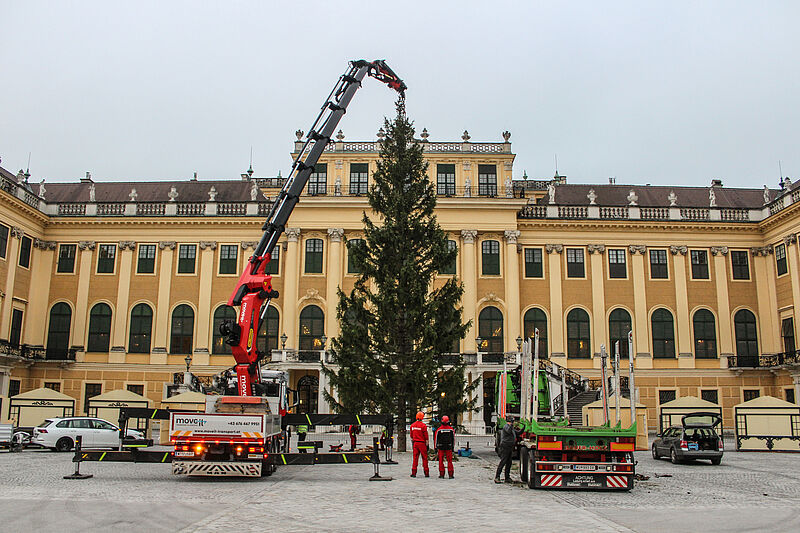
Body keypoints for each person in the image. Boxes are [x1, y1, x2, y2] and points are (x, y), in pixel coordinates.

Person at [495, 416, 519, 484]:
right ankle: (497, 477)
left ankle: (507, 477)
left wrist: (523, 428)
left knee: (509, 462)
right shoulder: (506, 426)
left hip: (509, 446)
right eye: (512, 421)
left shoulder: (511, 427)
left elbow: (517, 433)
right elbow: (508, 431)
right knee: (503, 461)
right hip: (505, 446)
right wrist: (511, 425)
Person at [410, 411, 429, 478]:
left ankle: (413, 472)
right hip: (422, 443)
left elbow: (411, 436)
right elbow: (426, 436)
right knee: (424, 458)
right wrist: (427, 443)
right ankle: (426, 472)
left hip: (415, 443)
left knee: (415, 458)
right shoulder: (423, 426)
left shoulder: (412, 425)